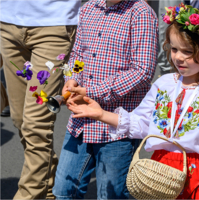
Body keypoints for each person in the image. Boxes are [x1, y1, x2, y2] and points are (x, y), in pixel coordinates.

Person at [68, 6, 199, 199]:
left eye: (188, 51)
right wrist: (101, 114)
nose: (179, 57)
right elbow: (140, 124)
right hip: (159, 172)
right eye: (174, 49)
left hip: (195, 175)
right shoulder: (164, 83)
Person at [52, 0, 158, 199]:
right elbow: (77, 55)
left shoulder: (141, 13)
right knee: (63, 191)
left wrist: (91, 91)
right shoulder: (88, 8)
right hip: (80, 121)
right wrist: (71, 78)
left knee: (110, 195)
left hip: (115, 126)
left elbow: (142, 71)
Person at [0, 0, 80, 199]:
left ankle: (29, 194)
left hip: (53, 27)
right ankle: (47, 187)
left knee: (37, 124)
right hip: (8, 25)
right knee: (20, 120)